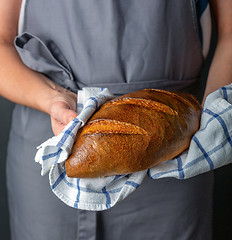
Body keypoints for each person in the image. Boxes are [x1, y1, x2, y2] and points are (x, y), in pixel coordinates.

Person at [0, 0, 231, 239]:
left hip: (173, 153)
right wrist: (52, 98)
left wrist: (214, 118)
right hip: (52, 150)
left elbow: (230, 35)